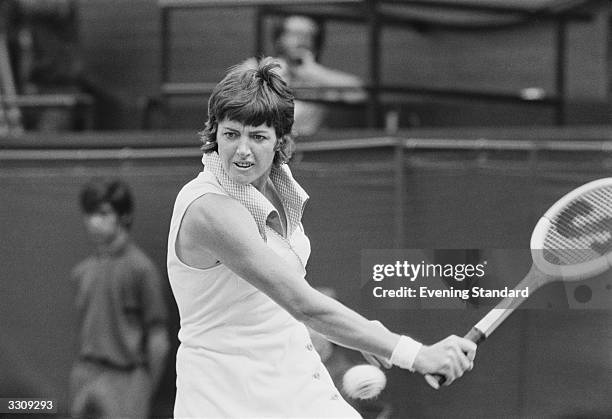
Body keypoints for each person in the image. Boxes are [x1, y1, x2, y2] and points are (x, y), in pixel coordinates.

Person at [167, 57, 476, 418]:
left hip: (294, 384)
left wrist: (364, 333)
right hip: (229, 400)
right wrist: (414, 353)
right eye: (231, 133)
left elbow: (281, 295)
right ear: (214, 132)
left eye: (258, 136)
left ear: (281, 140)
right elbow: (303, 303)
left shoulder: (277, 186)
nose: (242, 150)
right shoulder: (209, 208)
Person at [70, 178, 170, 418]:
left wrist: (141, 387)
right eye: (90, 213)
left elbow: (159, 340)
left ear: (124, 216)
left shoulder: (141, 269)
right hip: (85, 374)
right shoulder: (83, 271)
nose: (94, 221)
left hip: (126, 379)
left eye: (104, 213)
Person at [271, 15, 367, 135]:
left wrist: (314, 72)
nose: (302, 40)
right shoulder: (262, 70)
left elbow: (360, 94)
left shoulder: (318, 76)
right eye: (295, 33)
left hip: (308, 146)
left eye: (308, 35)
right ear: (280, 39)